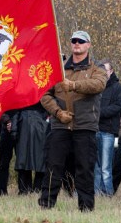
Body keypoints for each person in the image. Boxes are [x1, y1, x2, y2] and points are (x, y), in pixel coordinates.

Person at [38, 30, 107, 211]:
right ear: (70, 44)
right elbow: (44, 95)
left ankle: (85, 208)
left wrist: (74, 85)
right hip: (60, 126)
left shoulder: (96, 68)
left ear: (88, 45)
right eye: (74, 41)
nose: (77, 44)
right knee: (53, 166)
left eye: (81, 41)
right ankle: (46, 204)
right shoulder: (57, 69)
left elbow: (99, 84)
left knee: (84, 168)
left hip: (85, 126)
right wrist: (58, 112)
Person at [94, 60, 121, 197]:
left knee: (106, 166)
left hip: (108, 132)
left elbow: (118, 107)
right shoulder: (95, 86)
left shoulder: (117, 87)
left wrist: (99, 113)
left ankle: (107, 194)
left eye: (105, 70)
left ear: (111, 71)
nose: (103, 73)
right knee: (95, 166)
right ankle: (95, 193)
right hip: (94, 129)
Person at [11, 102, 49, 195]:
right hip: (25, 123)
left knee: (38, 160)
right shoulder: (21, 89)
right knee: (24, 159)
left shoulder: (44, 89)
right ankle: (27, 189)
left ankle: (34, 189)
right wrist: (14, 128)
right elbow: (16, 108)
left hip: (38, 122)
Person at [0, 111, 17, 195]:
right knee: (3, 163)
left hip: (23, 128)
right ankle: (2, 191)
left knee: (23, 162)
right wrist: (7, 120)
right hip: (6, 131)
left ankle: (25, 190)